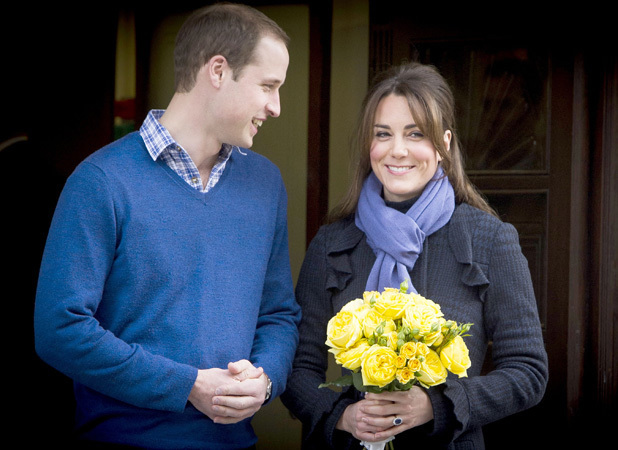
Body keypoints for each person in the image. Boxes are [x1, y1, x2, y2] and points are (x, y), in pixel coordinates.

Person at [34, 3, 301, 449]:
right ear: (218, 70)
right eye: (268, 86)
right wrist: (187, 385)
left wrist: (266, 379)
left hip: (238, 444)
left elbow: (277, 314)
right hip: (123, 442)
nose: (276, 107)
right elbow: (59, 329)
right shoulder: (101, 181)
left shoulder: (265, 183)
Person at [280, 62, 548, 449]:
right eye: (383, 134)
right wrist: (343, 416)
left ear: (446, 144)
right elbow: (298, 368)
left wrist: (434, 406)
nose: (398, 150)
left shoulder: (490, 240)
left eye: (416, 134)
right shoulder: (331, 242)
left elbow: (528, 372)